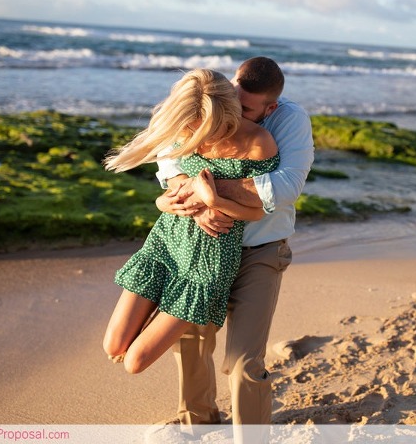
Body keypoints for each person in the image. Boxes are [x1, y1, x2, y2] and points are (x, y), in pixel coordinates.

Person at [154, 57, 314, 426]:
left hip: (261, 249)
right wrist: (195, 201)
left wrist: (208, 190)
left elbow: (285, 188)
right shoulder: (215, 101)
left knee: (244, 361)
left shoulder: (290, 120)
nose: (230, 118)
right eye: (230, 102)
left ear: (269, 108)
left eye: (243, 110)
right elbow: (169, 164)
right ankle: (199, 424)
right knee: (191, 340)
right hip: (204, 244)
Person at [101, 68, 279, 375]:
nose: (201, 139)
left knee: (134, 363)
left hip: (206, 263)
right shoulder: (184, 125)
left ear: (229, 112)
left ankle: (170, 315)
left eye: (212, 129)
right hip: (165, 243)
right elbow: (171, 188)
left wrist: (215, 201)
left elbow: (259, 210)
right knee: (113, 346)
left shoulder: (258, 143)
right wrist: (162, 202)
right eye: (194, 130)